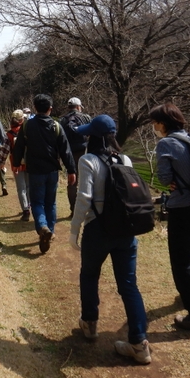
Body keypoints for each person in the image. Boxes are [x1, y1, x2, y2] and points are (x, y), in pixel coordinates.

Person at [69, 114, 151, 365]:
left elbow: (84, 198)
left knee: (90, 274)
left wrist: (74, 230)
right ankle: (139, 343)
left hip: (98, 230)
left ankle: (90, 323)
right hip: (125, 230)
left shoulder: (87, 160)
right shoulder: (124, 158)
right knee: (129, 285)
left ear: (92, 137)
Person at [149, 102, 190, 333]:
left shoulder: (166, 143)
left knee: (180, 262)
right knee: (189, 249)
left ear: (163, 124)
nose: (154, 127)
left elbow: (165, 179)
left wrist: (171, 180)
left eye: (155, 123)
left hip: (182, 207)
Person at [12, 94, 76, 253]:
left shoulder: (27, 126)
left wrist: (16, 163)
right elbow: (65, 150)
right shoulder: (56, 126)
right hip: (52, 171)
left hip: (35, 171)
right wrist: (71, 170)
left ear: (35, 108)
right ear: (50, 109)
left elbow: (19, 146)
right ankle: (50, 231)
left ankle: (42, 228)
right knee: (51, 203)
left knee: (37, 202)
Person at [59, 97, 92, 218]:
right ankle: (86, 210)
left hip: (69, 154)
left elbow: (60, 138)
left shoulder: (62, 120)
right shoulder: (86, 117)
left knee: (72, 182)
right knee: (86, 181)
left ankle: (74, 210)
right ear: (78, 107)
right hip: (85, 152)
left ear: (69, 107)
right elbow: (92, 133)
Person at [0, 109, 31, 221]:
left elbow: (5, 150)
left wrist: (2, 162)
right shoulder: (28, 130)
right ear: (23, 119)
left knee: (21, 188)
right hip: (29, 162)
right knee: (28, 186)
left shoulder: (9, 134)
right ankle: (29, 206)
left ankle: (25, 210)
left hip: (16, 164)